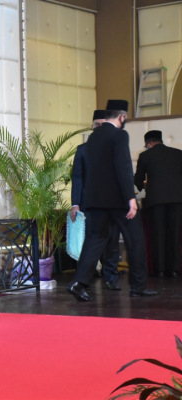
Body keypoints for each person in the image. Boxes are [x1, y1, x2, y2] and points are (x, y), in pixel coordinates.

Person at [68, 100, 158, 301]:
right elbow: (123, 167)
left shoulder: (93, 137)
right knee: (135, 240)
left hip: (95, 201)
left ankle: (78, 283)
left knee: (94, 241)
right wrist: (130, 198)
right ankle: (138, 286)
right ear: (122, 116)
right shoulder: (119, 135)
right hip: (118, 201)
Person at [70, 110, 121, 290]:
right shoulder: (82, 150)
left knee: (112, 241)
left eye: (102, 125)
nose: (99, 128)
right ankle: (85, 279)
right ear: (92, 127)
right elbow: (77, 177)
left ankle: (111, 278)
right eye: (96, 125)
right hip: (89, 205)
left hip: (113, 203)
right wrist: (75, 204)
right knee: (90, 242)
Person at [134, 130, 182, 278]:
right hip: (177, 200)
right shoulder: (178, 153)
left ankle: (160, 270)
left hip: (156, 201)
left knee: (158, 235)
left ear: (149, 144)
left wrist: (142, 186)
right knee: (175, 235)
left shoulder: (145, 155)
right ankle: (174, 269)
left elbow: (138, 179)